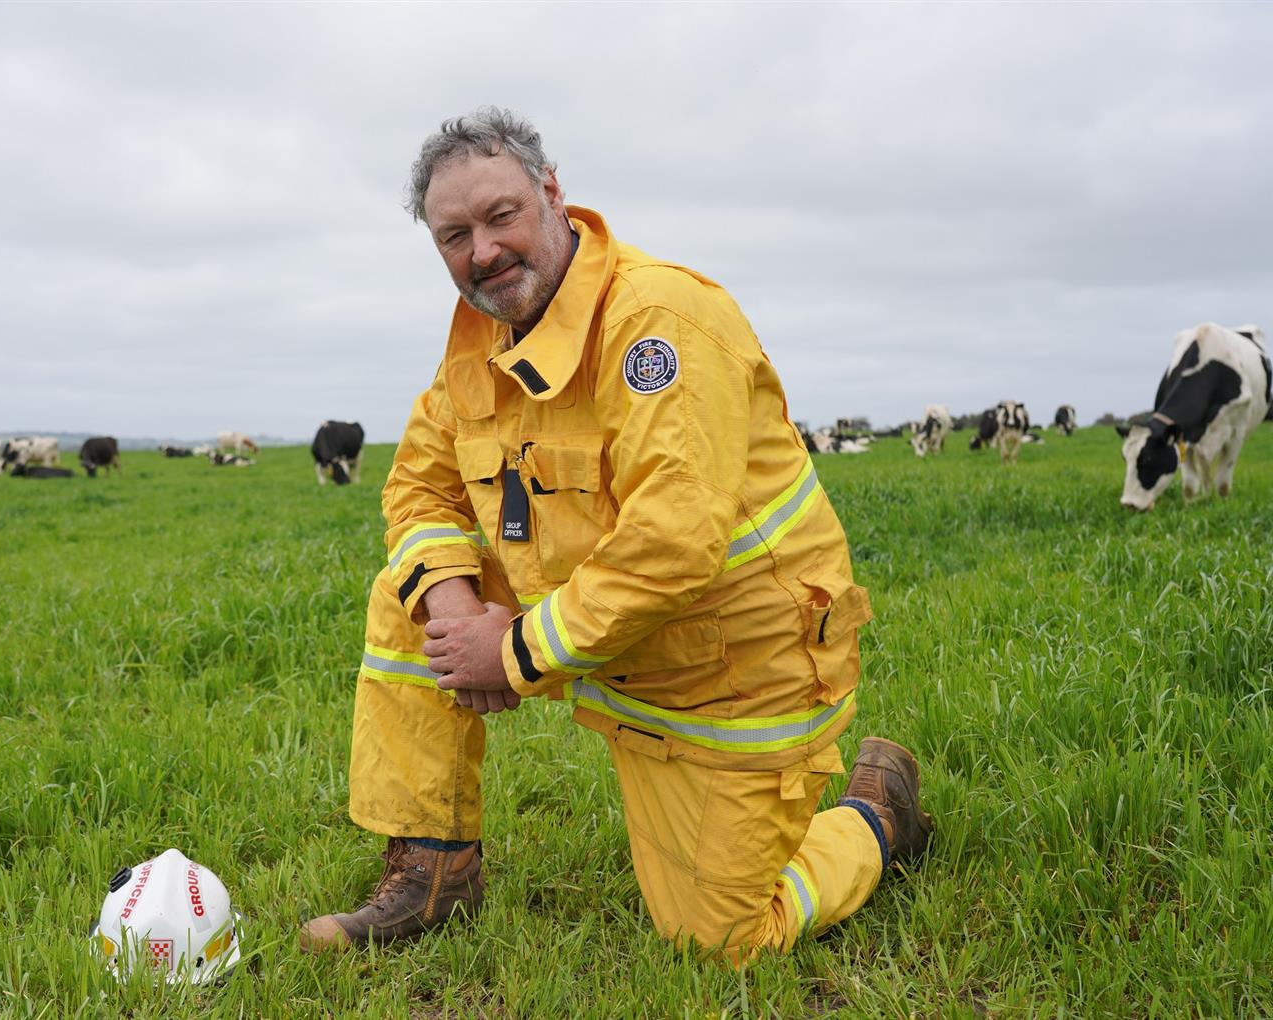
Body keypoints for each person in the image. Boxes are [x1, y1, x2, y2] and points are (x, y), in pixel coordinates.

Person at [299, 107, 933, 965]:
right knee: (412, 595)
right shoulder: (478, 340)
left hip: (734, 670)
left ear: (554, 196)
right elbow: (417, 487)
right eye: (454, 235)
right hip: (604, 647)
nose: (481, 251)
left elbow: (674, 541)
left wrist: (514, 650)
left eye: (500, 217)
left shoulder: (656, 321)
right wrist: (460, 622)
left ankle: (875, 816)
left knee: (725, 941)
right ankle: (434, 877)